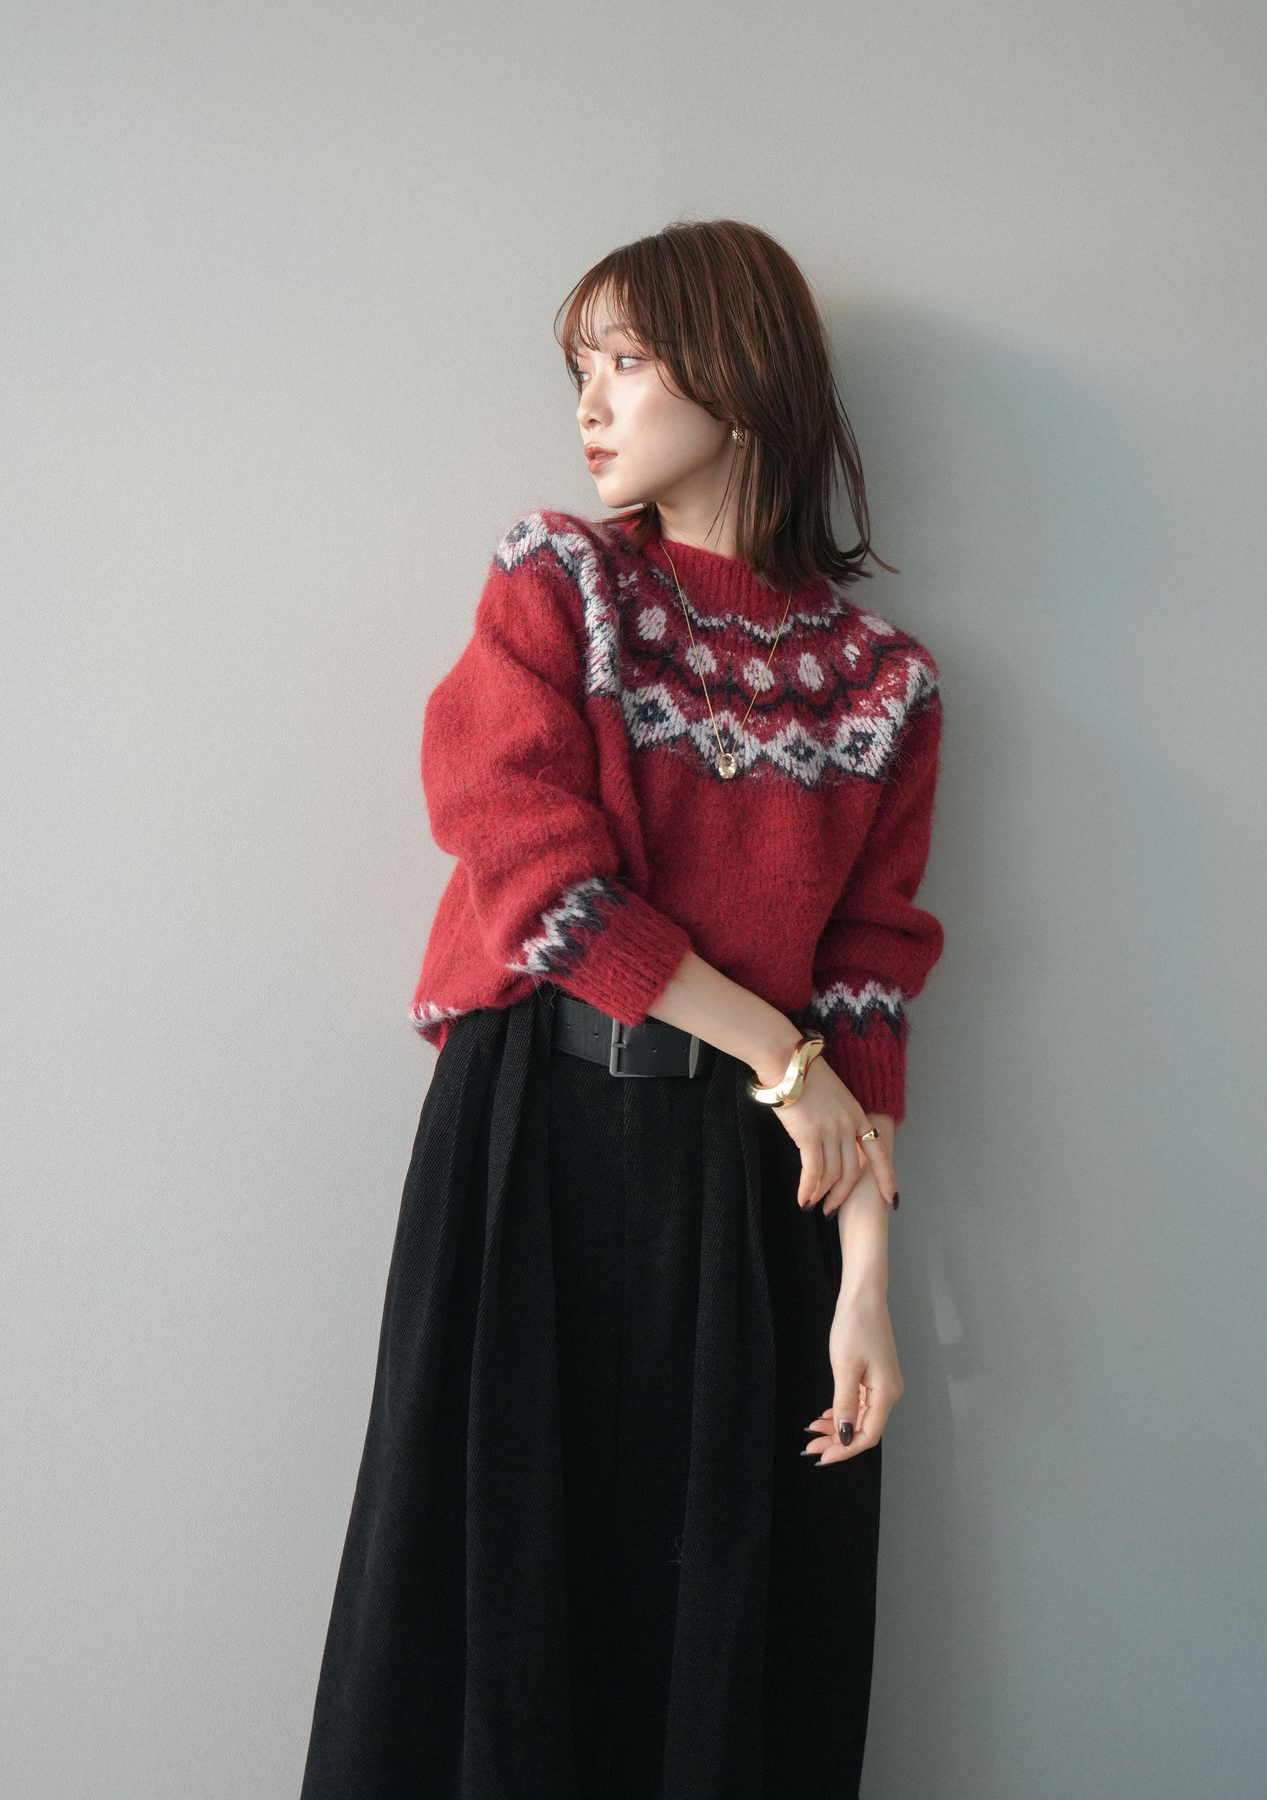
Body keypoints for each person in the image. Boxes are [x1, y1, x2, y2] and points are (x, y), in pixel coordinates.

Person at [299, 217, 946, 1800]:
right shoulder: (561, 581)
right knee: (492, 1584)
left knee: (715, 1606)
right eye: (580, 369)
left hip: (752, 1192)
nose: (591, 405)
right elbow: (531, 872)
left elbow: (868, 978)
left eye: (629, 362)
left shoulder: (881, 684)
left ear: (738, 371)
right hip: (530, 1142)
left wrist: (866, 1280)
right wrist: (776, 1051)